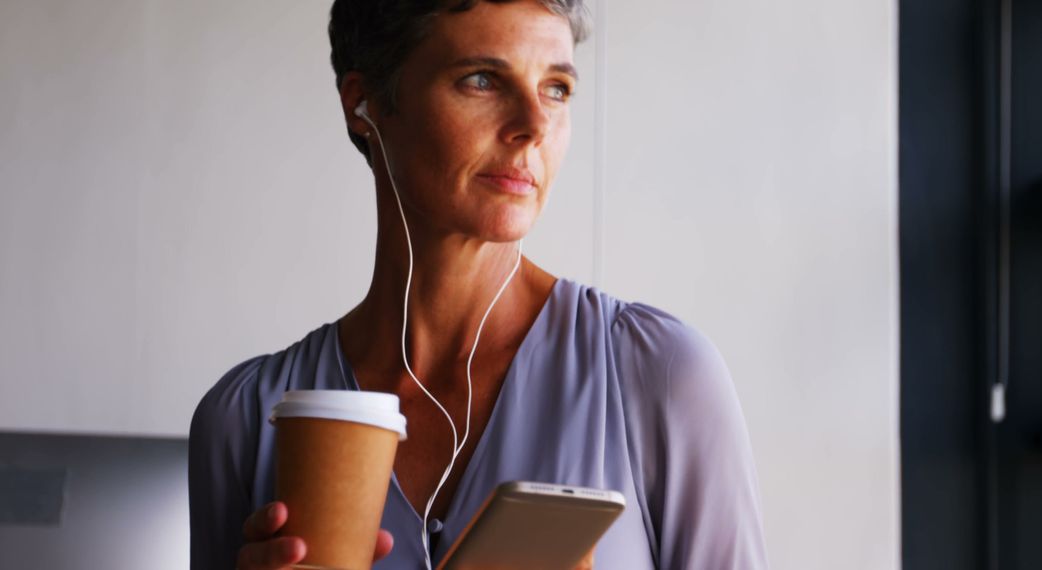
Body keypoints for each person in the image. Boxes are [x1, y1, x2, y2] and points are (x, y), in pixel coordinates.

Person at [188, 0, 769, 568]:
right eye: (483, 80)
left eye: (556, 88)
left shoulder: (660, 376)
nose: (534, 127)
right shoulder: (244, 420)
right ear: (362, 103)